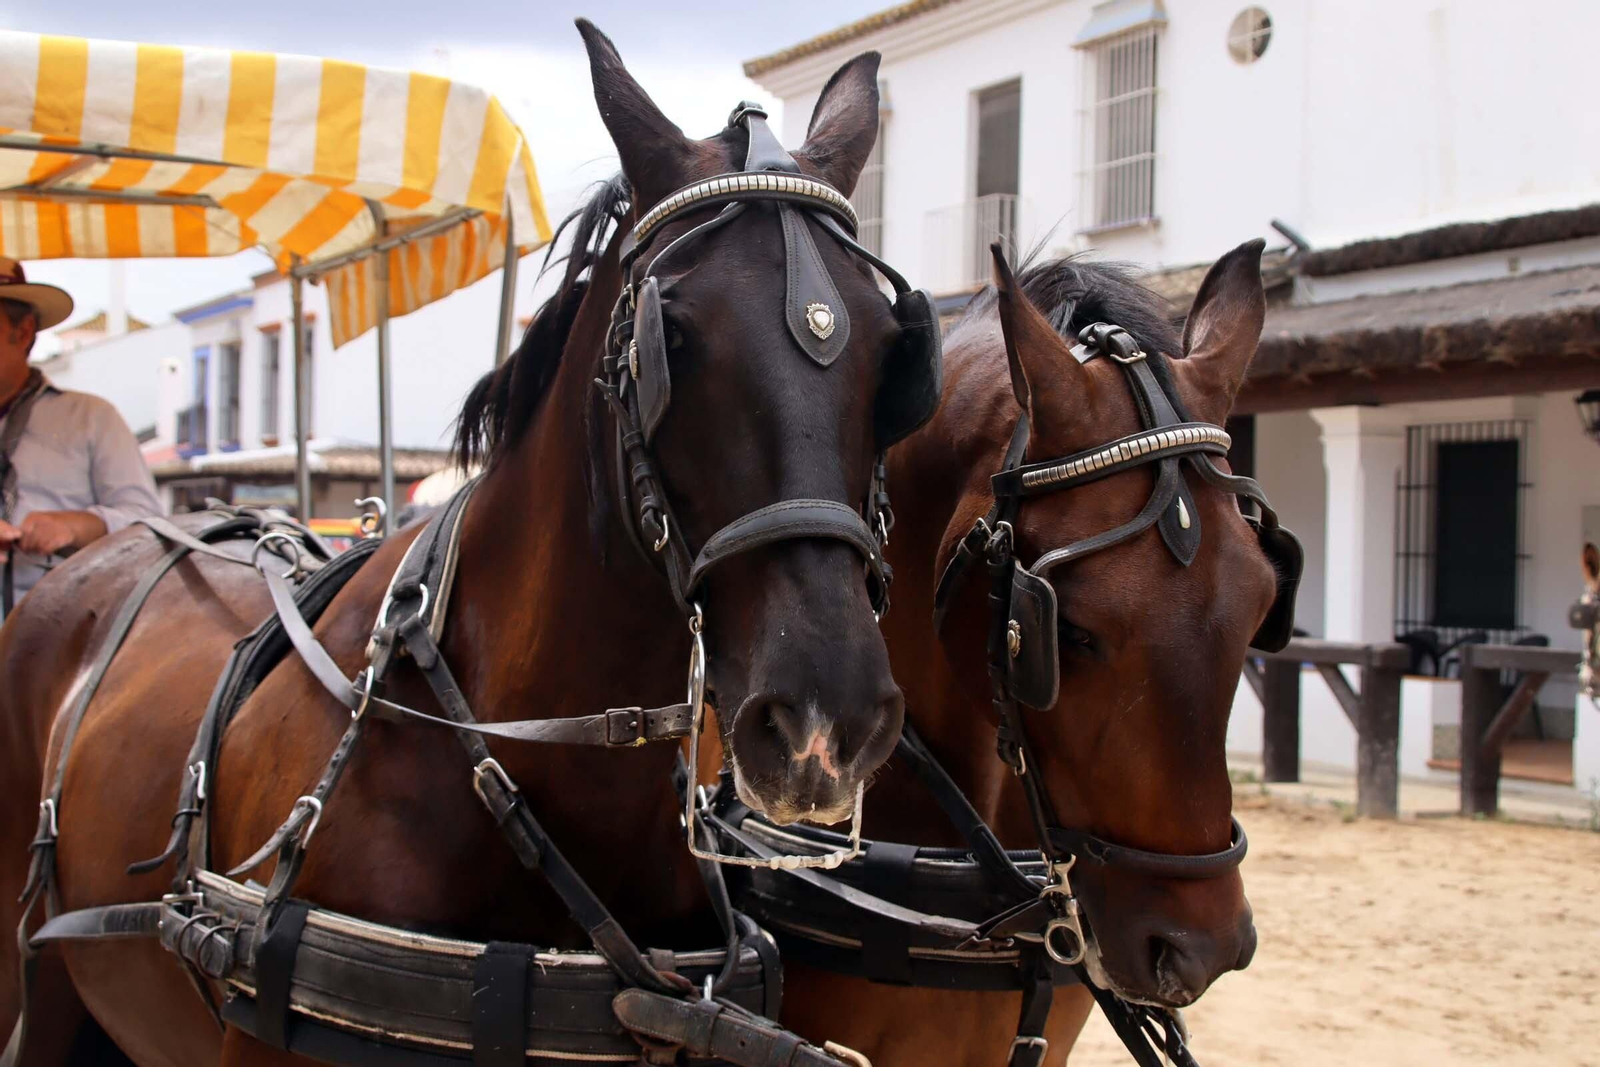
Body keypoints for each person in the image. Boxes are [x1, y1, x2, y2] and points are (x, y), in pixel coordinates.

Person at [0, 257, 163, 617]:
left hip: (65, 640)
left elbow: (149, 524)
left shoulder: (91, 418)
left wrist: (74, 525)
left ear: (23, 332)